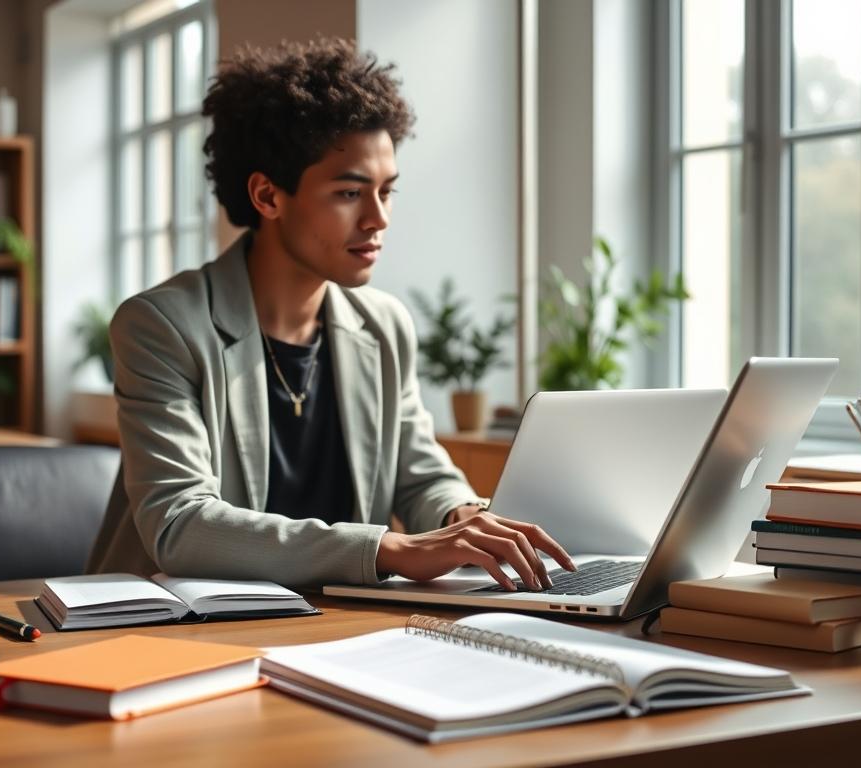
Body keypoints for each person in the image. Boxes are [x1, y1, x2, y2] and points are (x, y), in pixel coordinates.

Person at [86, 38, 574, 590]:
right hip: (173, 630)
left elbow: (419, 476)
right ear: (268, 196)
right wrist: (387, 548)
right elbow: (180, 525)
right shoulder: (161, 326)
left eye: (387, 191)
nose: (378, 218)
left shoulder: (384, 325)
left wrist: (460, 517)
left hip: (331, 627)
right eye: (349, 193)